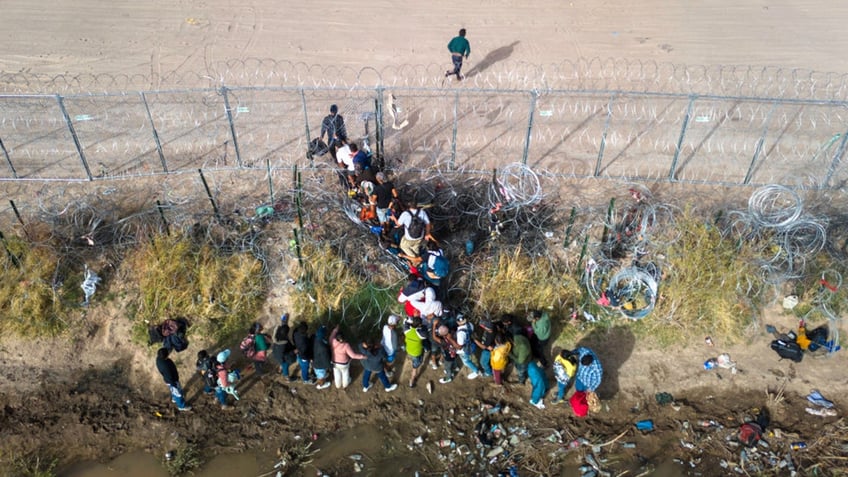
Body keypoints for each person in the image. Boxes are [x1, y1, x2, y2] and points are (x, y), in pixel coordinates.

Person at [395, 201, 432, 267]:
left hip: (409, 238)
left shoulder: (405, 214)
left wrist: (394, 218)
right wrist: (427, 234)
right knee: (416, 247)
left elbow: (398, 224)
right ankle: (416, 258)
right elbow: (428, 224)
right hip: (420, 236)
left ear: (408, 206)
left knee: (403, 245)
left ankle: (415, 259)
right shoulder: (422, 212)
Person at [330, 325, 366, 389]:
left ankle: (337, 385)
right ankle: (345, 384)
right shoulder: (346, 345)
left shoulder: (332, 341)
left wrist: (335, 329)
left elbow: (332, 335)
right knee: (345, 374)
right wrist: (362, 356)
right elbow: (353, 355)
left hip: (334, 362)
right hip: (344, 364)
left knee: (336, 373)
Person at [156, 347, 191, 411]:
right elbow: (170, 378)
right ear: (166, 356)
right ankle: (181, 406)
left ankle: (174, 398)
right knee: (179, 394)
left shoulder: (158, 359)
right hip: (173, 381)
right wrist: (174, 385)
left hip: (168, 381)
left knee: (174, 391)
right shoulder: (166, 367)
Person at [403, 317, 428, 388]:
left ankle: (412, 379)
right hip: (416, 352)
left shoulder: (406, 330)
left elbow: (405, 322)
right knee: (415, 367)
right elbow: (426, 334)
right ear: (420, 325)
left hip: (409, 349)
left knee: (414, 360)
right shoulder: (421, 334)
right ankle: (411, 381)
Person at [455, 315, 480, 379]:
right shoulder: (470, 324)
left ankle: (476, 371)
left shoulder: (460, 333)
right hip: (471, 344)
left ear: (457, 322)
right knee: (467, 358)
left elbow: (460, 345)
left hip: (465, 349)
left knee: (466, 361)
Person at [271, 315, 294, 379]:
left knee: (281, 362)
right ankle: (286, 376)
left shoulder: (277, 336)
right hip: (282, 357)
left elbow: (277, 330)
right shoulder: (284, 343)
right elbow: (286, 353)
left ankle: (280, 369)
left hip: (276, 353)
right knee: (285, 365)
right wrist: (293, 350)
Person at [312, 325, 333, 390]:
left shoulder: (317, 339)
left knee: (320, 375)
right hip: (319, 365)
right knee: (321, 377)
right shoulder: (323, 347)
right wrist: (330, 366)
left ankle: (321, 381)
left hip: (316, 364)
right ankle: (321, 385)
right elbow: (326, 359)